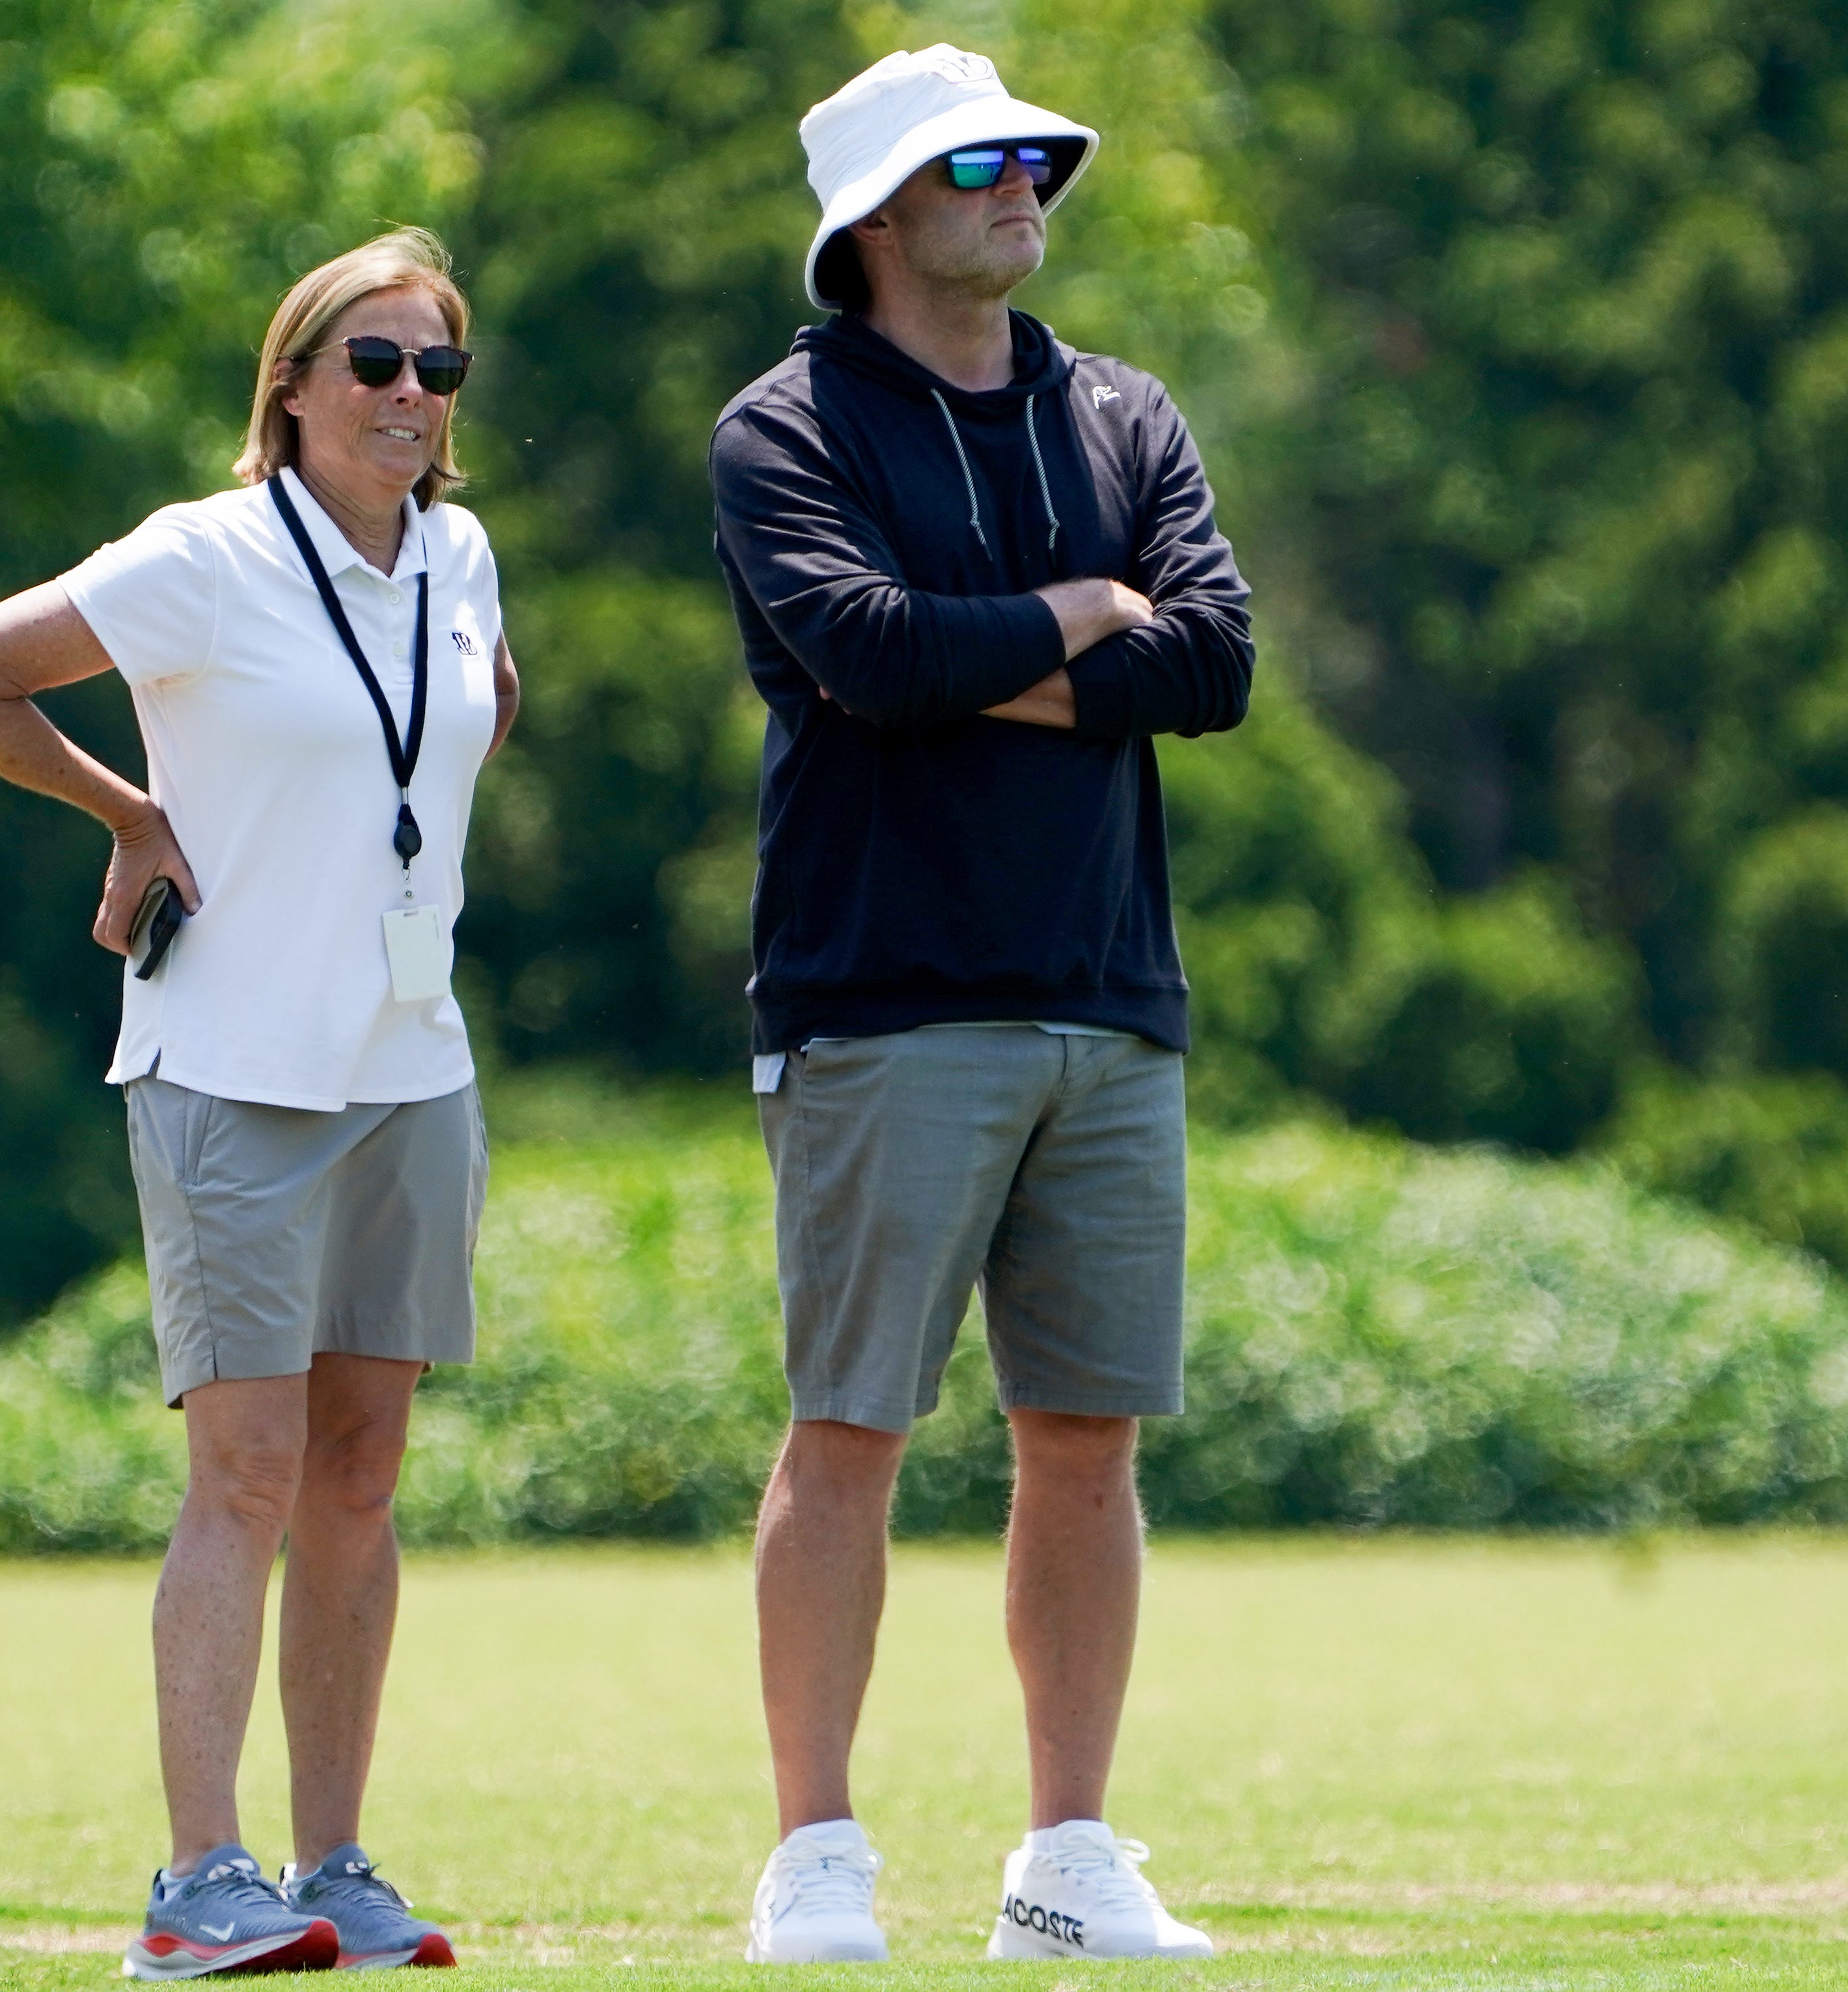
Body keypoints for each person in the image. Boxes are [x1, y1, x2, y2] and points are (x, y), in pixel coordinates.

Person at [0, 226, 514, 1979]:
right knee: (242, 1473)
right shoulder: (213, 554)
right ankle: (197, 1884)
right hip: (229, 1066)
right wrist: (129, 813)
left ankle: (337, 1867)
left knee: (363, 1474)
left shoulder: (462, 557)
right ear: (295, 386)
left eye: (438, 369)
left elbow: (457, 726)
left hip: (412, 1069)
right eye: (376, 364)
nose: (410, 396)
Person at [708, 46, 1255, 1965]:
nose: (1024, 185)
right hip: (881, 996)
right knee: (849, 1424)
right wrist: (1082, 618)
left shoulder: (1124, 410)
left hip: (1110, 989)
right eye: (976, 165)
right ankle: (817, 1855)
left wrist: (995, 661)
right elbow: (856, 648)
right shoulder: (784, 428)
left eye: (1035, 157)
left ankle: (1070, 1859)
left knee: (1084, 1437)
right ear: (873, 218)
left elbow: (1218, 661)